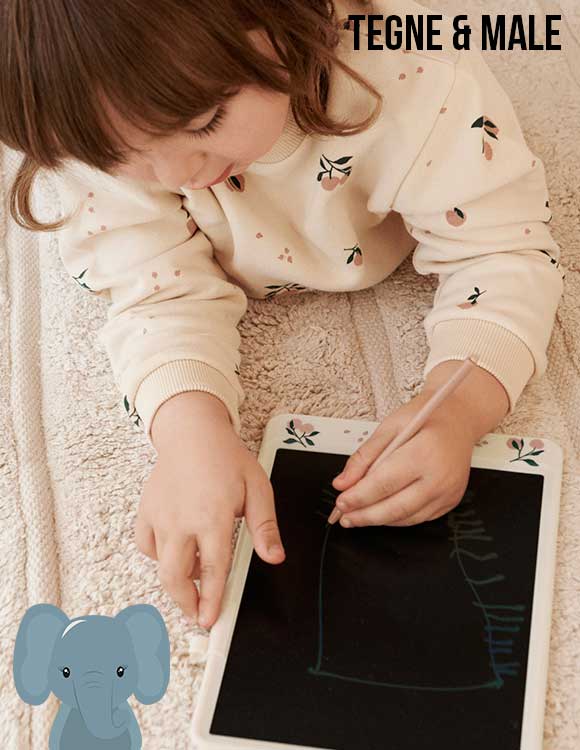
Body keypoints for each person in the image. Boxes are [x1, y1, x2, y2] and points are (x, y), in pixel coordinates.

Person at [1, 0, 563, 630]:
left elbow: (503, 250)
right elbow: (154, 291)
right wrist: (189, 432)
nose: (179, 175)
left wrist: (458, 408)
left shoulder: (418, 78)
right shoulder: (96, 121)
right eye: (120, 157)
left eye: (206, 121)